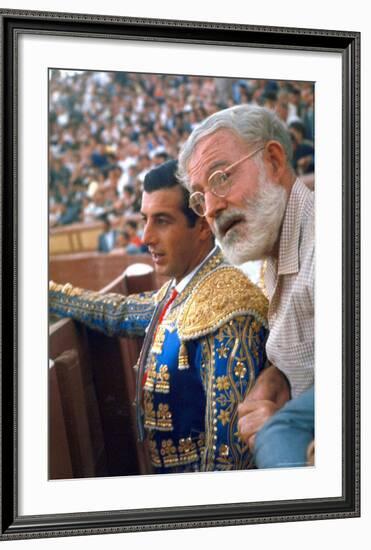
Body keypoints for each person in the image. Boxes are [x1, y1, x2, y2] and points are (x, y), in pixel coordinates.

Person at [49, 159, 269, 473]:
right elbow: (120, 312)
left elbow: (229, 458)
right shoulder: (186, 287)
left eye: (162, 221)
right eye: (145, 220)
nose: (146, 236)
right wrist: (49, 293)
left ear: (204, 225)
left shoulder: (228, 310)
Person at [178, 104, 314, 463]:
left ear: (272, 160)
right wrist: (279, 376)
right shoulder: (269, 251)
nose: (210, 208)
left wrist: (290, 430)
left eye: (221, 177)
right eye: (199, 196)